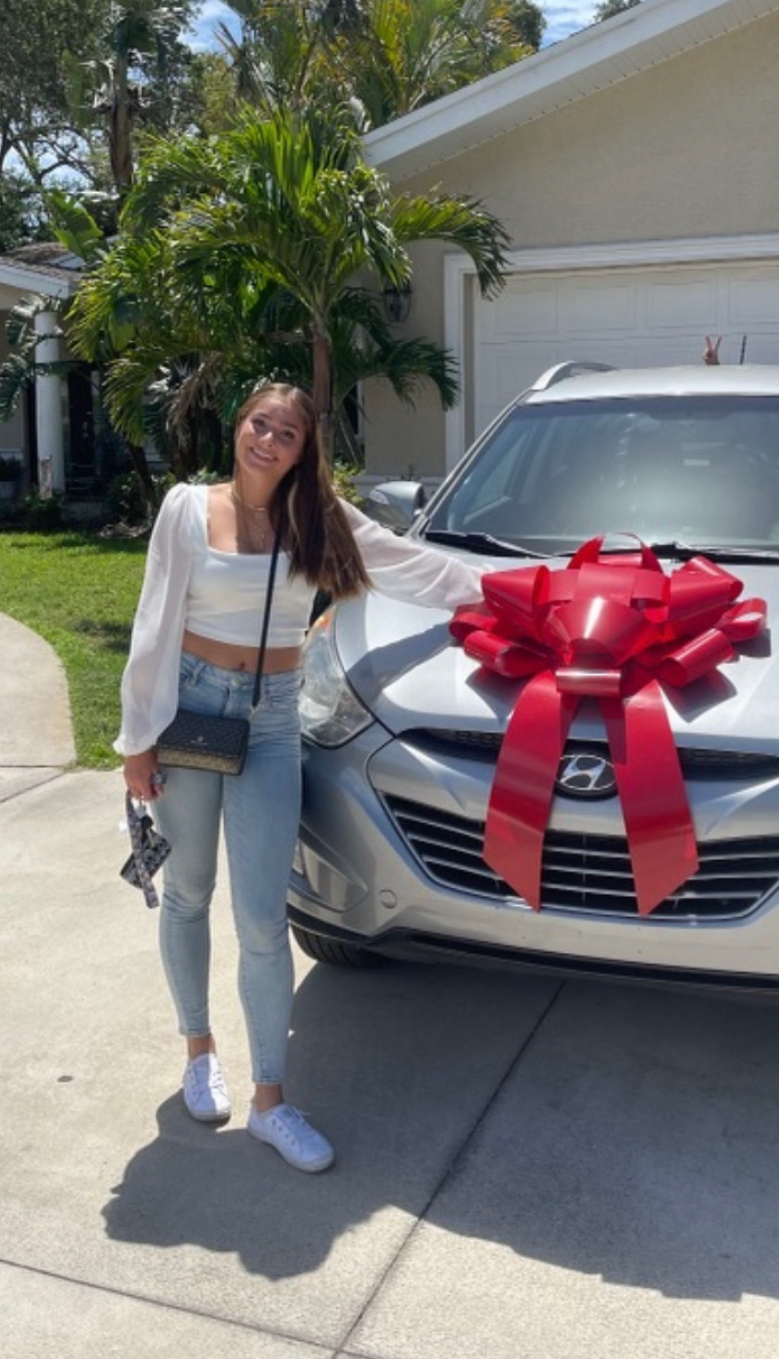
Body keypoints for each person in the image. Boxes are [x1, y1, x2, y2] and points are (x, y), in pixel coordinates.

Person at [116, 382, 486, 1173]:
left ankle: (270, 1101)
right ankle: (198, 1050)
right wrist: (136, 737)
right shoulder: (186, 508)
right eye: (260, 423)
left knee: (262, 916)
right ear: (238, 426)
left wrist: (500, 595)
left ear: (302, 448)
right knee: (187, 891)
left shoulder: (318, 517)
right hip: (190, 712)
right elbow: (154, 622)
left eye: (287, 432)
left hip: (273, 720)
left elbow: (408, 565)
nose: (269, 440)